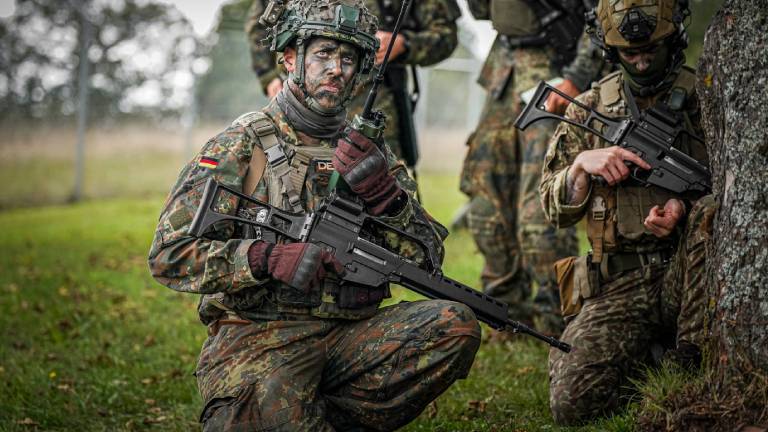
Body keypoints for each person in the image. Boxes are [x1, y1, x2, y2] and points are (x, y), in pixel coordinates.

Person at [148, 1, 481, 429]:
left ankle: (335, 416)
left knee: (454, 325)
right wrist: (263, 258)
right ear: (290, 58)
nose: (336, 69)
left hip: (351, 331)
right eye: (323, 54)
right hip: (261, 336)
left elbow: (428, 259)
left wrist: (388, 199)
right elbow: (169, 254)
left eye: (348, 59)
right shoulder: (240, 143)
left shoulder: (371, 153)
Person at [540, 0, 712, 424]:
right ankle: (647, 358)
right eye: (628, 54)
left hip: (690, 277)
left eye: (649, 50)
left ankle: (684, 367)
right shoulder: (589, 108)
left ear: (672, 39)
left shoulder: (705, 99)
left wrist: (684, 210)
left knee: (708, 211)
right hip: (619, 282)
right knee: (571, 404)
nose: (639, 61)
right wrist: (582, 167)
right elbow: (550, 206)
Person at [459, 0, 607, 335]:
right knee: (486, 202)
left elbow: (603, 15)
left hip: (554, 72)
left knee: (541, 210)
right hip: (504, 69)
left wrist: (576, 77)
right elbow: (483, 10)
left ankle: (557, 322)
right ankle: (504, 317)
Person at [245, 0, 462, 163]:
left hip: (374, 103)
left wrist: (405, 44)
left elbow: (445, 34)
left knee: (376, 188)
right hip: (300, 103)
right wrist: (268, 77)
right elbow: (260, 24)